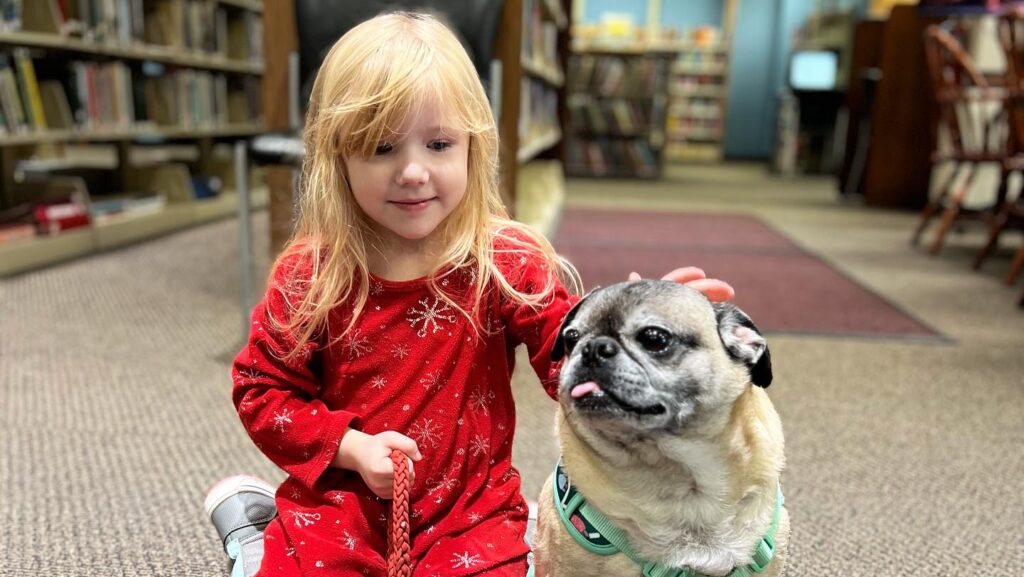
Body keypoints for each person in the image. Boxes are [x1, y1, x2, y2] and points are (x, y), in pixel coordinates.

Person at [205, 11, 734, 577]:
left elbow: (567, 361)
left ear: (472, 149)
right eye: (381, 148)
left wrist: (638, 329)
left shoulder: (506, 260)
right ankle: (258, 537)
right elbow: (262, 390)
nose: (413, 171)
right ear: (338, 158)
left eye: (438, 144)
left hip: (471, 511)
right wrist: (351, 449)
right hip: (342, 503)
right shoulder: (313, 273)